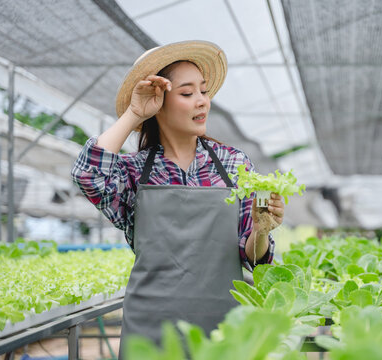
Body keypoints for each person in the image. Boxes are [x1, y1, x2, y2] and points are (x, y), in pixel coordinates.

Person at [71, 40, 284, 358]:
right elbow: (87, 174)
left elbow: (253, 258)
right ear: (159, 104)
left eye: (204, 91)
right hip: (150, 332)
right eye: (187, 93)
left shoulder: (234, 164)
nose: (202, 102)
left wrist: (262, 229)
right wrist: (134, 113)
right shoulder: (134, 171)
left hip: (222, 330)